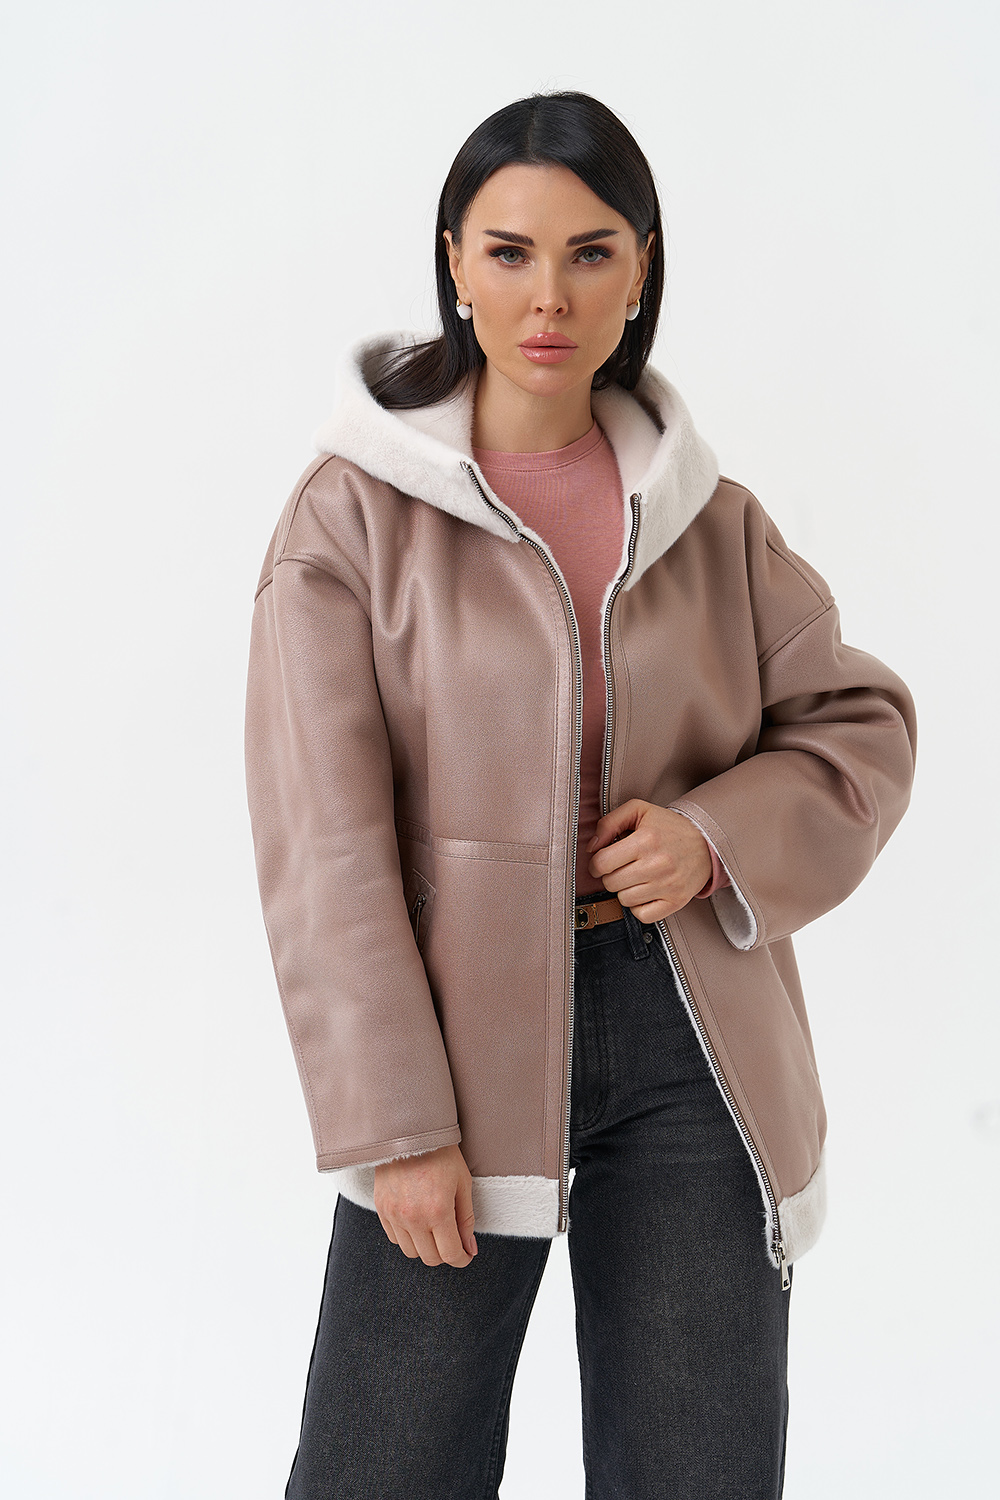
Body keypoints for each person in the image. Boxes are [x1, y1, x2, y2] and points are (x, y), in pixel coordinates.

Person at [243, 90, 917, 1500]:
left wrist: (713, 839)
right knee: (383, 1466)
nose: (548, 296)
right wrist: (396, 1126)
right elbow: (326, 850)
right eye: (510, 252)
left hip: (691, 1039)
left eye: (590, 252)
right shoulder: (351, 519)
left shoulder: (708, 517)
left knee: (697, 1472)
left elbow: (860, 726)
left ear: (641, 269)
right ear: (454, 261)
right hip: (454, 1042)